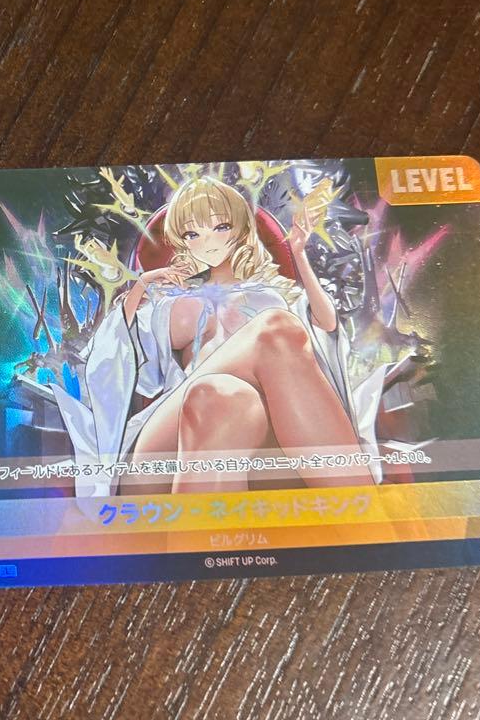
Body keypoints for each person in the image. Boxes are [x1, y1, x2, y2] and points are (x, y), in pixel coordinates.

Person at [52, 176, 384, 505]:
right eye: (192, 234)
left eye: (220, 227)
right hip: (166, 451)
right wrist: (141, 285)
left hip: (255, 442)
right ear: (181, 242)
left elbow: (326, 324)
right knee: (267, 335)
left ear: (240, 230)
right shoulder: (174, 303)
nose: (208, 241)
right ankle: (369, 515)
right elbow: (111, 354)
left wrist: (298, 252)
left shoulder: (271, 298)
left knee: (221, 395)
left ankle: (362, 521)